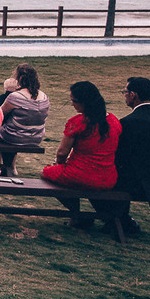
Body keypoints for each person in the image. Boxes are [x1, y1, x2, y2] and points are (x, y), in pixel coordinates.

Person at [93, 77, 150, 237]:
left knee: (95, 180)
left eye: (125, 92)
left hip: (135, 183)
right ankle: (120, 219)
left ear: (133, 95)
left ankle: (115, 219)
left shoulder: (128, 123)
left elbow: (118, 156)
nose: (124, 95)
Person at [43, 81, 121, 227]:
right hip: (107, 177)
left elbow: (62, 152)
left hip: (80, 174)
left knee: (46, 174)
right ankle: (92, 216)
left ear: (85, 102)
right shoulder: (114, 121)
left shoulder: (79, 122)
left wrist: (59, 164)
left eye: (74, 101)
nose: (72, 104)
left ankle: (76, 213)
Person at [0, 63, 50, 177]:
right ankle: (9, 167)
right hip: (36, 138)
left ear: (19, 78)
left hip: (13, 137)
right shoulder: (44, 97)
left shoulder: (15, 97)